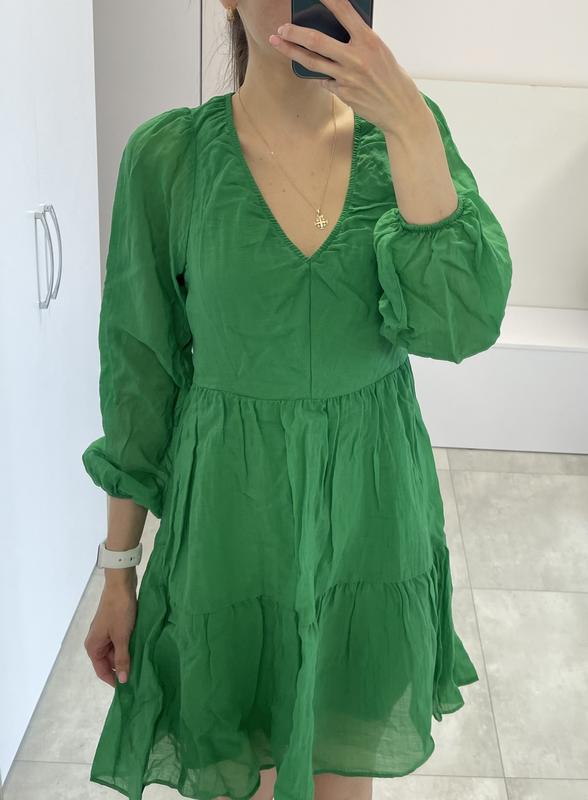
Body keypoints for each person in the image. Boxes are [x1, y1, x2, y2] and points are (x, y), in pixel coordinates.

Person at [82, 1, 513, 799]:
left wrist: (411, 123)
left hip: (369, 524)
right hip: (231, 526)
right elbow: (139, 378)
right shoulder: (169, 159)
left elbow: (460, 323)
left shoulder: (405, 137)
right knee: (238, 773)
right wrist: (117, 570)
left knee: (344, 776)